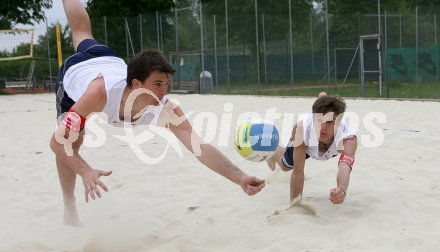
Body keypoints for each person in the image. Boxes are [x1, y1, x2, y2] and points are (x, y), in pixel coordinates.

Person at [50, 0, 265, 226]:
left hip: (107, 59)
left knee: (82, 30)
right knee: (72, 140)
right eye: (158, 84)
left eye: (166, 84)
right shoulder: (99, 94)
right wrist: (85, 171)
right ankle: (69, 204)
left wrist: (239, 177)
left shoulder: (166, 108)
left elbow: (200, 148)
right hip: (75, 75)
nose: (164, 92)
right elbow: (56, 143)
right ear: (136, 84)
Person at [266, 94, 357, 204]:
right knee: (286, 166)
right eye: (319, 120)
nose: (323, 127)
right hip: (307, 143)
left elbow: (344, 167)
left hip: (329, 147)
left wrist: (342, 189)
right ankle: (274, 150)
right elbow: (298, 172)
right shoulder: (302, 129)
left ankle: (322, 96)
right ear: (313, 118)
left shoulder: (348, 139)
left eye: (329, 122)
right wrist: (295, 205)